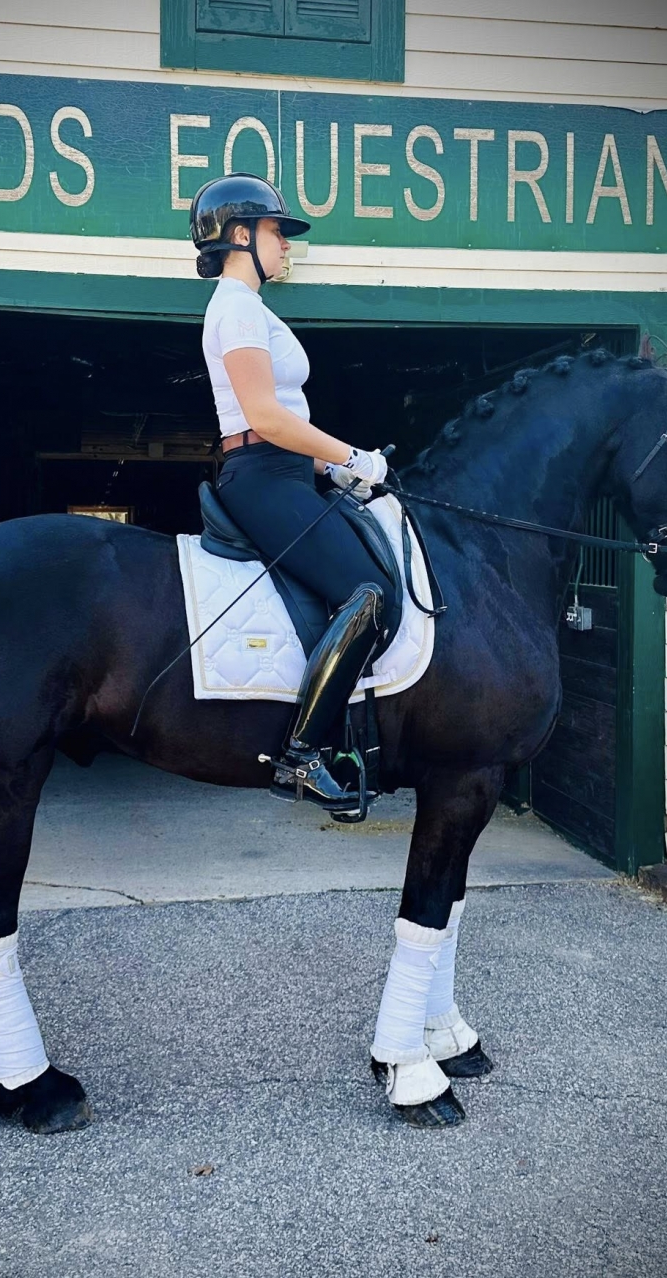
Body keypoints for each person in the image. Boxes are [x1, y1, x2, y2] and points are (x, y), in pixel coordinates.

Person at [192, 172, 398, 813]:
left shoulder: (250, 309)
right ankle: (301, 755)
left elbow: (278, 426)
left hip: (284, 471)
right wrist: (352, 457)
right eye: (277, 231)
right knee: (369, 592)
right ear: (240, 235)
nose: (286, 244)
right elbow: (265, 417)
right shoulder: (234, 306)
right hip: (261, 476)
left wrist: (328, 472)